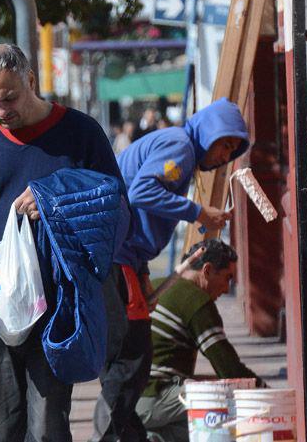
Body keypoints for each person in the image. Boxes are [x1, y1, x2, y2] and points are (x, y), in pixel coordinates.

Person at [0, 44, 125, 442]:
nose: (1, 111)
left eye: (9, 97)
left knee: (47, 426)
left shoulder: (81, 133)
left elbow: (116, 205)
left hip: (57, 308)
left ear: (30, 80)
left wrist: (54, 195)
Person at [91, 97, 249, 441]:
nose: (225, 156)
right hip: (115, 259)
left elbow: (138, 219)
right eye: (225, 145)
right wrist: (198, 212)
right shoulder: (179, 146)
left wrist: (144, 273)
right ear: (210, 133)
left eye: (232, 150)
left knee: (129, 358)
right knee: (130, 358)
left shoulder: (178, 147)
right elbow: (142, 191)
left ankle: (122, 433)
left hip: (125, 259)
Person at [137, 239, 264, 442]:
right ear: (207, 270)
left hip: (130, 398)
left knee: (193, 420)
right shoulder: (196, 301)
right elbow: (228, 369)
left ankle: (149, 437)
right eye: (226, 278)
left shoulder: (158, 285)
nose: (225, 289)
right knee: (228, 407)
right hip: (153, 397)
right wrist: (265, 393)